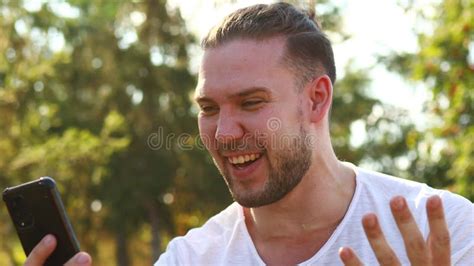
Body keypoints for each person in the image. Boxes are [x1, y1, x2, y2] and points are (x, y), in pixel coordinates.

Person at [26, 2, 473, 266]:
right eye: (208, 108)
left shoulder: (445, 232)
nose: (223, 132)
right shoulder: (190, 259)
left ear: (316, 99)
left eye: (251, 102)